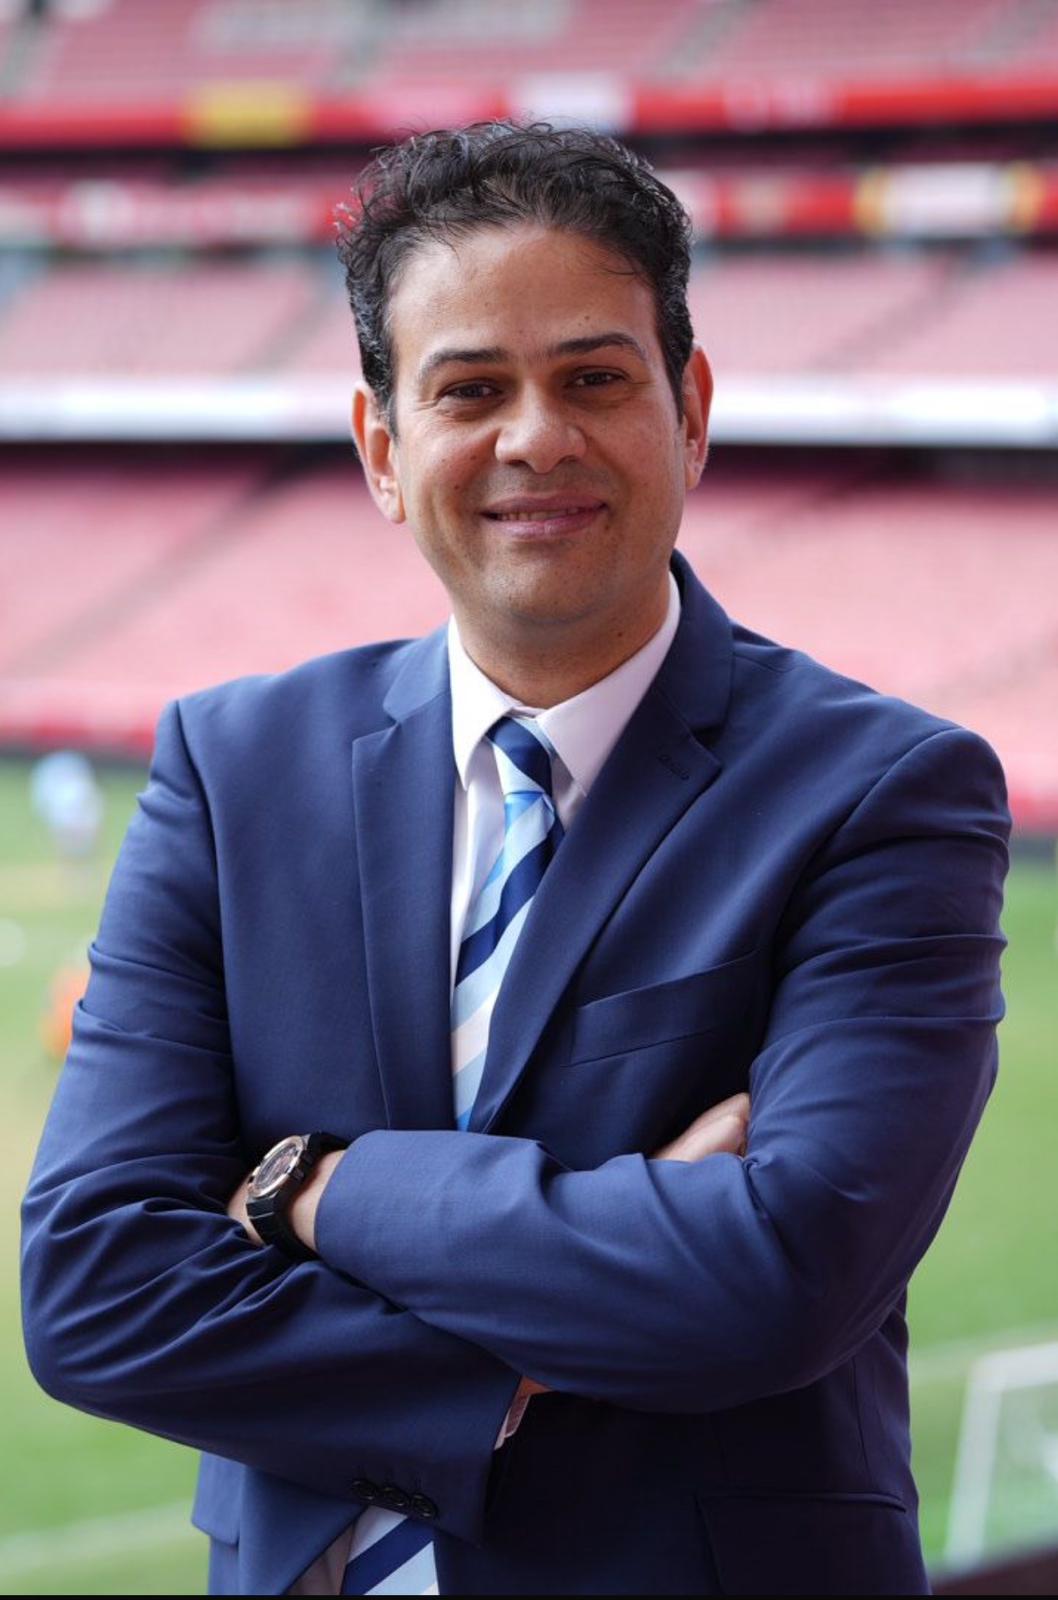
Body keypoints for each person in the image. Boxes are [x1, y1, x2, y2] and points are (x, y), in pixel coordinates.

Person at [21, 122, 1010, 1597]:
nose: (535, 437)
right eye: (470, 390)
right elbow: (95, 1291)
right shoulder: (234, 770)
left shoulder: (881, 792)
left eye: (593, 379)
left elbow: (778, 1280)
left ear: (689, 410)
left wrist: (313, 1191)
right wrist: (533, 1347)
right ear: (383, 448)